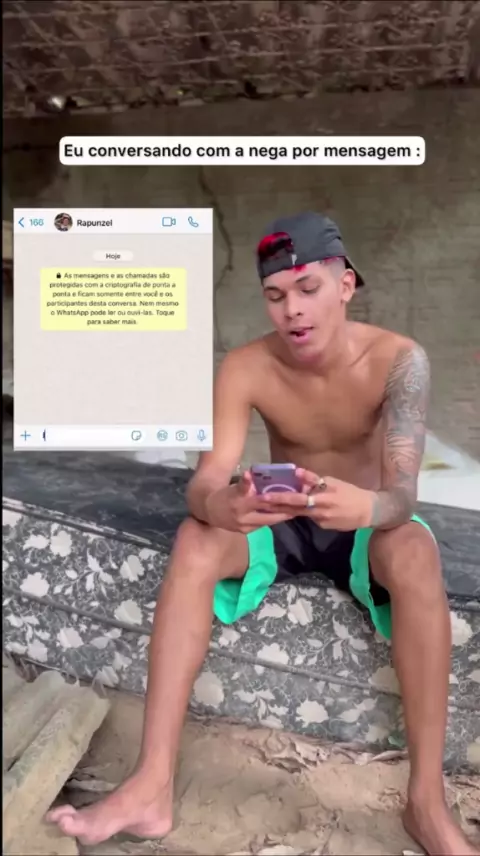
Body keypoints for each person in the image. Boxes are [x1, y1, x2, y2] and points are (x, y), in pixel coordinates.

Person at [47, 212, 478, 856]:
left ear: (345, 286)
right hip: (283, 521)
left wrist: (368, 506)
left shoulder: (399, 361)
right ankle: (150, 786)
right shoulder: (245, 366)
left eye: (307, 289)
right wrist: (223, 504)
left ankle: (426, 803)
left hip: (363, 520)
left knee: (415, 550)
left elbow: (402, 495)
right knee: (195, 538)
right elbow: (204, 482)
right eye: (275, 295)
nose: (291, 310)